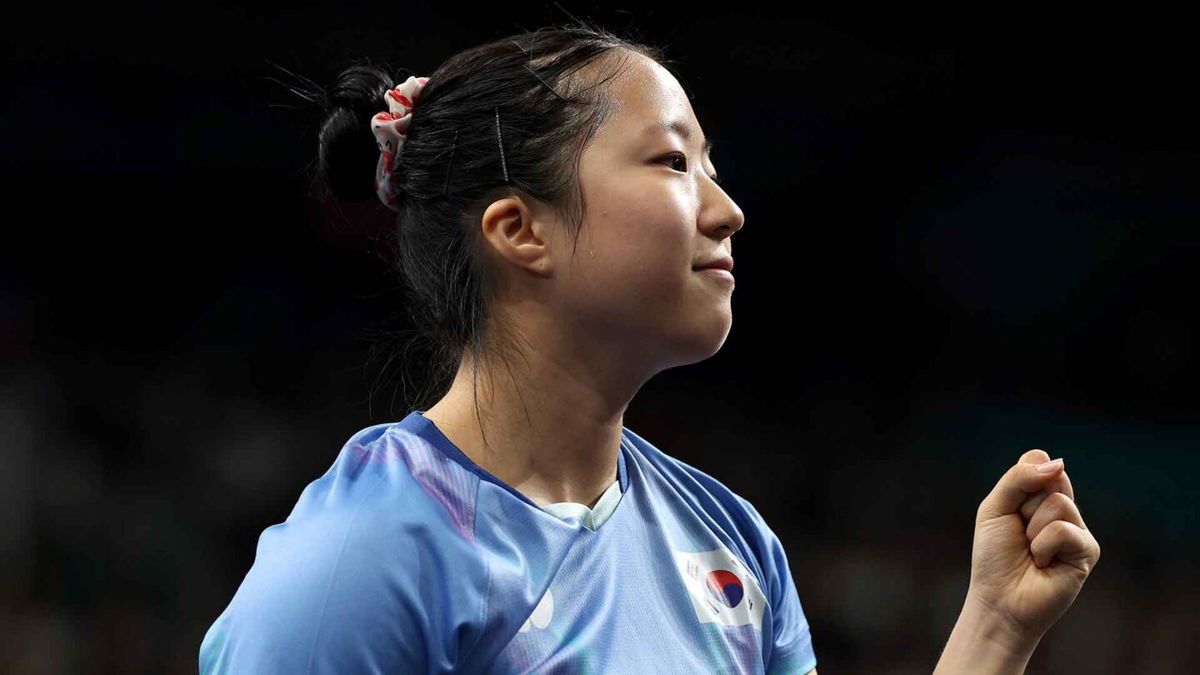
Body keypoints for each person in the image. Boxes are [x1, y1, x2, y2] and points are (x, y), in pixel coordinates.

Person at [199, 21, 1100, 674]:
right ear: (521, 231)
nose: (726, 209)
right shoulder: (364, 565)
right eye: (674, 163)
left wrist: (992, 628)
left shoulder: (735, 547)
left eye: (713, 167)